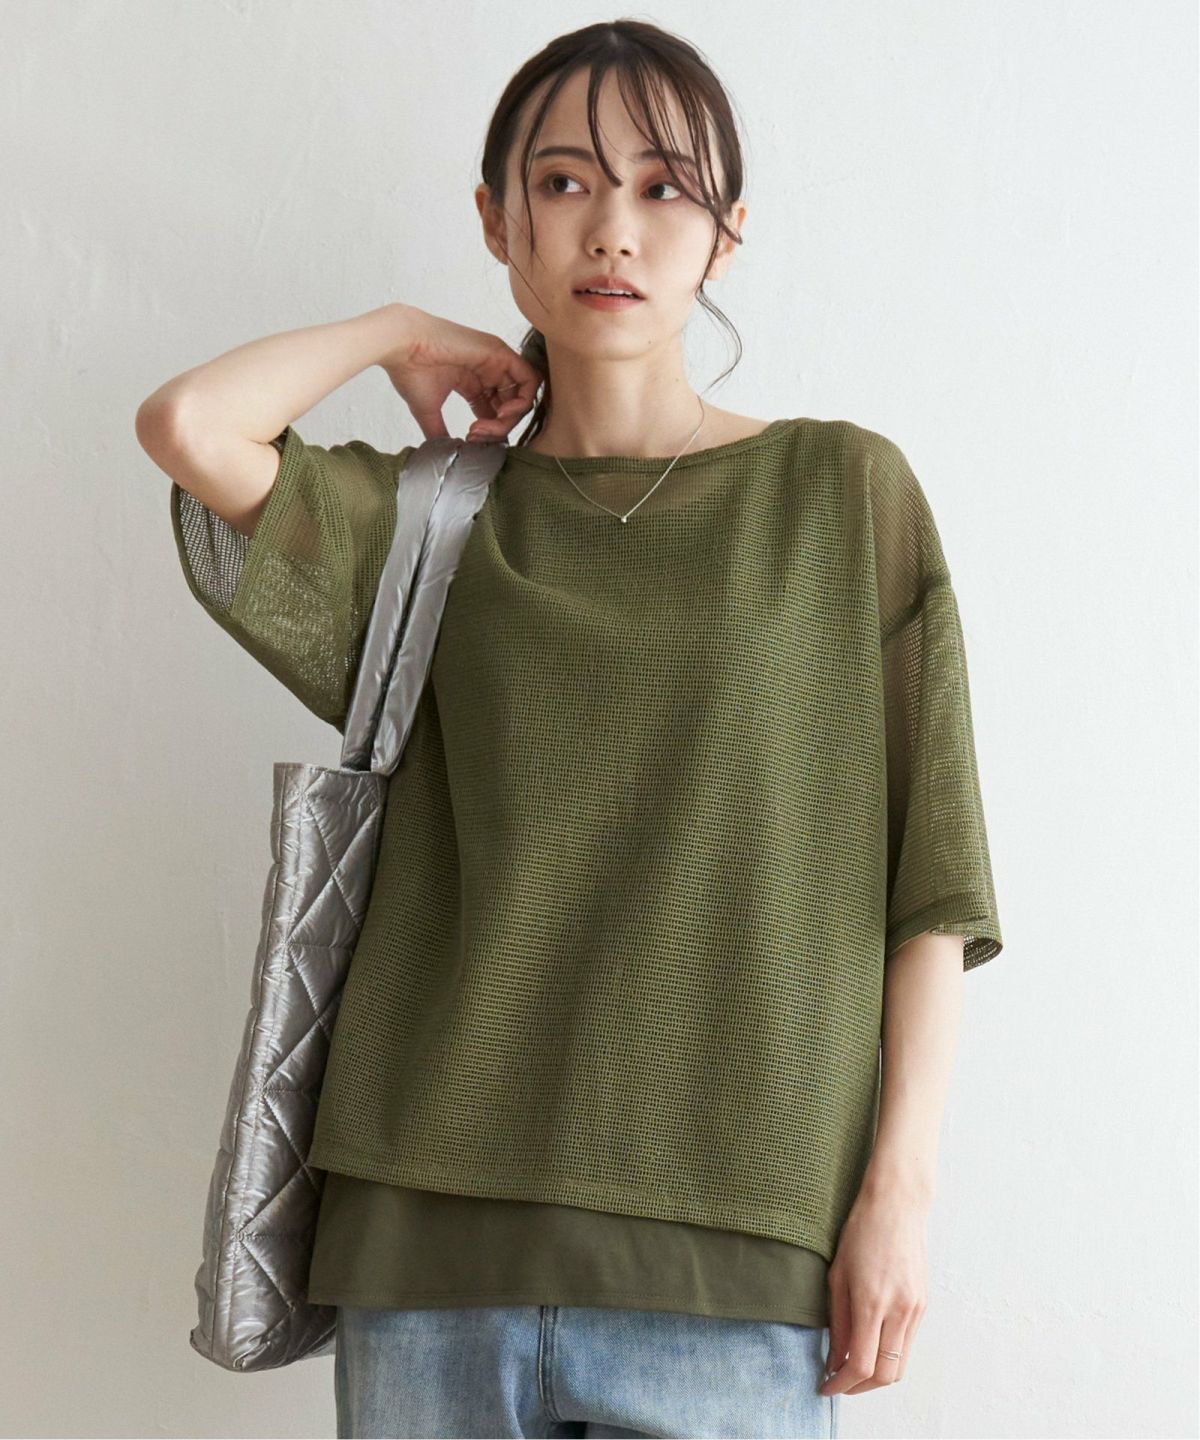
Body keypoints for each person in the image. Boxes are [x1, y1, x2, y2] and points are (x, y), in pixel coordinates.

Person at [136, 18, 1003, 1439]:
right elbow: (188, 426)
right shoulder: (431, 519)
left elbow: (934, 885)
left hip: (737, 1252)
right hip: (427, 1250)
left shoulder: (840, 497)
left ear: (727, 234)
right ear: (498, 220)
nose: (614, 227)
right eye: (562, 183)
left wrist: (898, 1198)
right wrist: (399, 334)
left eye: (665, 188)